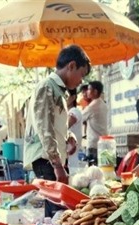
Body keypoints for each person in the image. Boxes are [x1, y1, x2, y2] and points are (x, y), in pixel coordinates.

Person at [23, 44, 90, 186]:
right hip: (45, 160)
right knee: (55, 206)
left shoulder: (58, 90)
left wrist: (68, 137)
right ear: (71, 66)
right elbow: (44, 128)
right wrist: (57, 166)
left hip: (52, 160)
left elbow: (55, 124)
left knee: (58, 206)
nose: (81, 81)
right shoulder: (47, 87)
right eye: (82, 75)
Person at [82, 80, 108, 165]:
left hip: (94, 144)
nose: (87, 92)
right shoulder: (103, 104)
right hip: (104, 143)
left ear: (95, 92)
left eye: (89, 89)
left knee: (93, 173)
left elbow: (79, 118)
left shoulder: (92, 106)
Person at [66, 88, 83, 175]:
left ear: (73, 97)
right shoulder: (65, 112)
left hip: (71, 162)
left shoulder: (74, 111)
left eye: (66, 96)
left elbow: (65, 126)